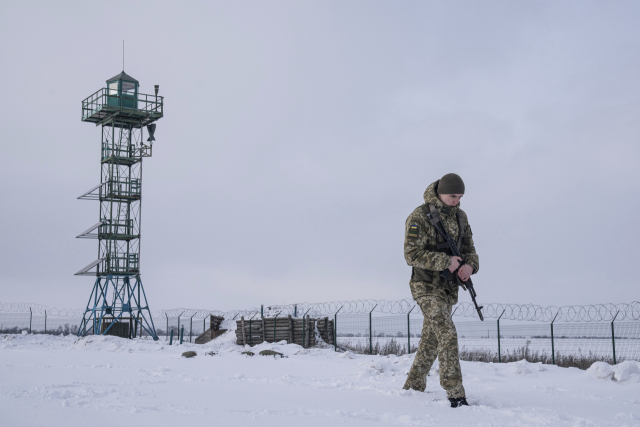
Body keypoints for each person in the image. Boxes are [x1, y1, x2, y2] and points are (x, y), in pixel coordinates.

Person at [402, 173, 479, 408]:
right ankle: (455, 393)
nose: (456, 200)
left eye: (460, 197)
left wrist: (469, 266)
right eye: (452, 196)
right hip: (425, 287)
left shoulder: (461, 217)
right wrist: (445, 262)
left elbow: (470, 249)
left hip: (447, 289)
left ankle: (412, 388)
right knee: (446, 332)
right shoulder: (420, 216)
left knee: (431, 341)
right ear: (439, 193)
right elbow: (411, 255)